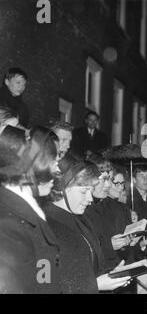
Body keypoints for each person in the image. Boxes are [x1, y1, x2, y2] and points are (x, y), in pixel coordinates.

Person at [43, 155, 131, 293]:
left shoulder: (81, 218)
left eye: (90, 191)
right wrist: (95, 284)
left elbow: (87, 266)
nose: (89, 198)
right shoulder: (45, 226)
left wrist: (111, 274)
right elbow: (44, 285)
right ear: (62, 188)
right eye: (84, 191)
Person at [0, 125, 61, 293]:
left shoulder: (26, 212)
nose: (58, 170)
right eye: (54, 162)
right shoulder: (8, 225)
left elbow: (44, 277)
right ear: (33, 167)